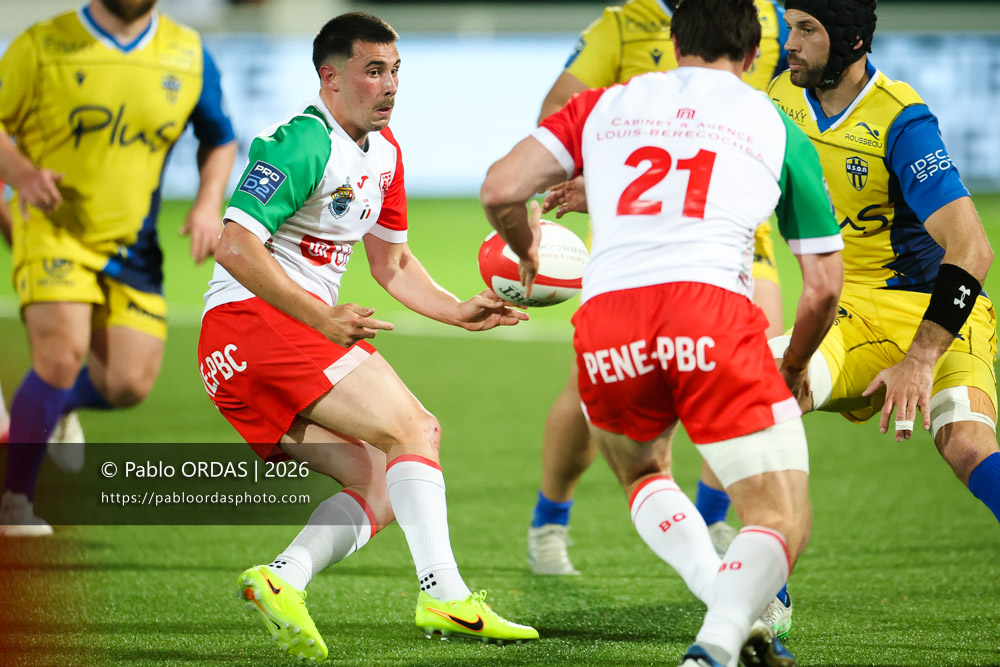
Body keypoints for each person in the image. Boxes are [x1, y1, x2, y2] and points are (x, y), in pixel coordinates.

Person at [481, 1, 844, 664]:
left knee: (644, 471)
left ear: (674, 42)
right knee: (782, 514)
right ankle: (718, 638)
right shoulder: (777, 125)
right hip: (709, 310)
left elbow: (501, 186)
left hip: (610, 317)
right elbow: (822, 287)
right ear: (752, 52)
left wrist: (526, 244)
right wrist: (792, 367)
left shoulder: (604, 104)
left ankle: (720, 609)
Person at [198, 13, 537, 661]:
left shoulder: (385, 156)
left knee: (381, 478)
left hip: (247, 351)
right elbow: (235, 245)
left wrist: (457, 310)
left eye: (396, 71)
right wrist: (320, 316)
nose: (389, 85)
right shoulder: (302, 141)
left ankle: (282, 577)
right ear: (330, 77)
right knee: (417, 428)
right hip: (255, 326)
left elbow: (394, 266)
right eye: (373, 70)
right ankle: (445, 594)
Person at [527, 0, 790, 586]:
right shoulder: (623, 21)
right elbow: (556, 109)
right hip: (640, 226)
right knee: (590, 387)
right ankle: (549, 520)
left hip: (733, 225)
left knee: (757, 360)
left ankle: (718, 519)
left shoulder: (773, 18)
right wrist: (595, 175)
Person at [0, 0, 236, 536]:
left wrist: (206, 203)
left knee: (128, 383)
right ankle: (14, 499)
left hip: (134, 244)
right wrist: (22, 173)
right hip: (52, 227)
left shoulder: (187, 53)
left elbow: (219, 137)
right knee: (60, 356)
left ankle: (55, 407)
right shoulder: (43, 44)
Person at [768, 0, 1000, 523]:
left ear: (851, 42)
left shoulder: (901, 121)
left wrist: (920, 359)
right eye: (790, 28)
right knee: (759, 392)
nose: (790, 44)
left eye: (807, 30)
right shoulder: (781, 93)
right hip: (848, 314)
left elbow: (972, 249)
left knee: (965, 445)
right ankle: (767, 592)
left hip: (935, 315)